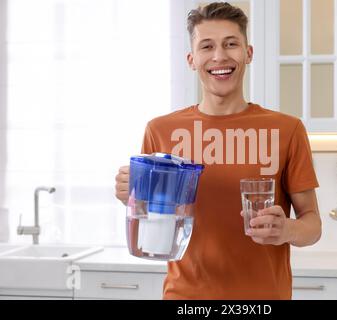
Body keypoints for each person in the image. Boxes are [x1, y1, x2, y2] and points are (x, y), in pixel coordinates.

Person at [115, 2, 321, 300]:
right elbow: (150, 220)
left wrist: (286, 230)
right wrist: (132, 196)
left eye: (231, 44)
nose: (219, 56)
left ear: (248, 53)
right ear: (191, 59)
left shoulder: (287, 130)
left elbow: (312, 224)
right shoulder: (160, 131)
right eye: (207, 46)